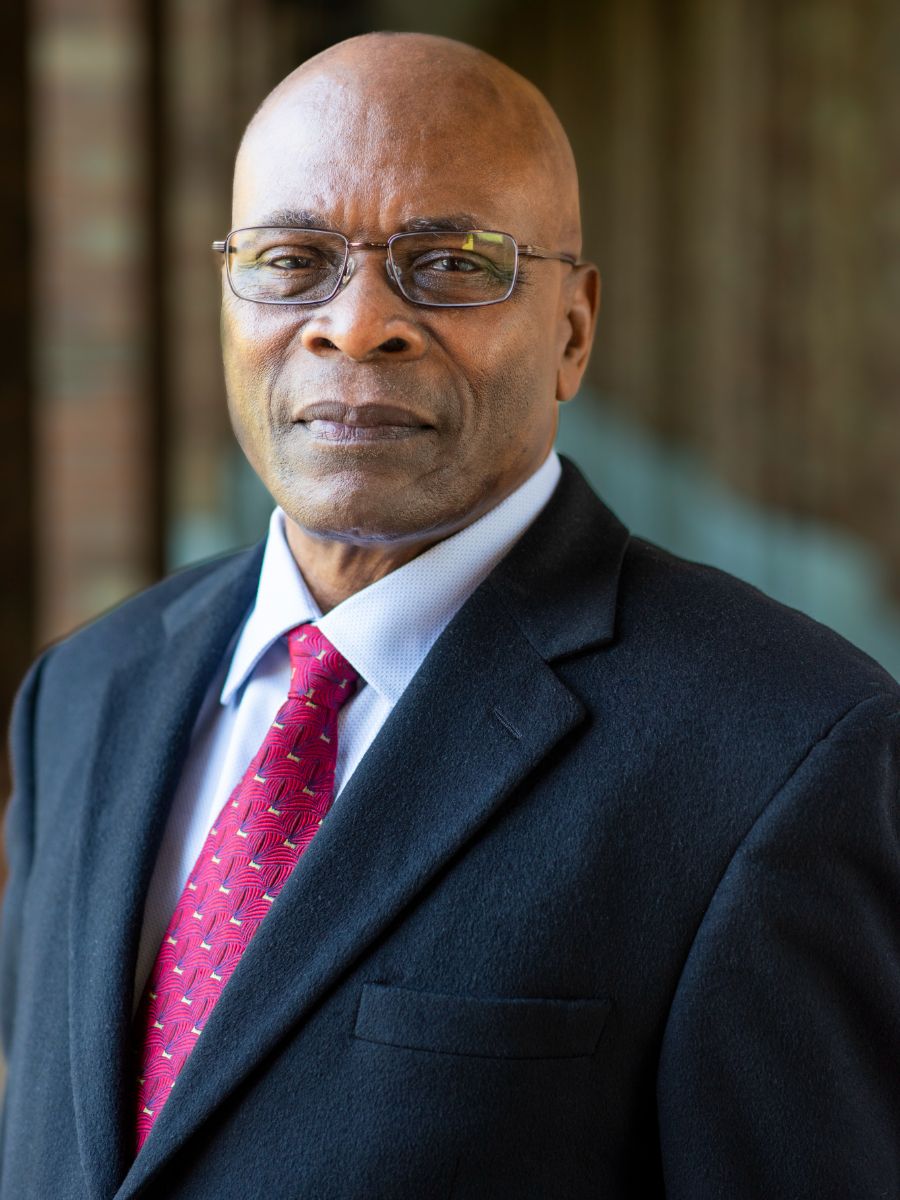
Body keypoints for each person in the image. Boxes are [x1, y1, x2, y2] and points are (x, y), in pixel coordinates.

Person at [1, 30, 897, 1200]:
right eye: (291, 259)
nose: (357, 322)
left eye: (453, 263)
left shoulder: (786, 755)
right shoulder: (83, 691)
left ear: (573, 329)